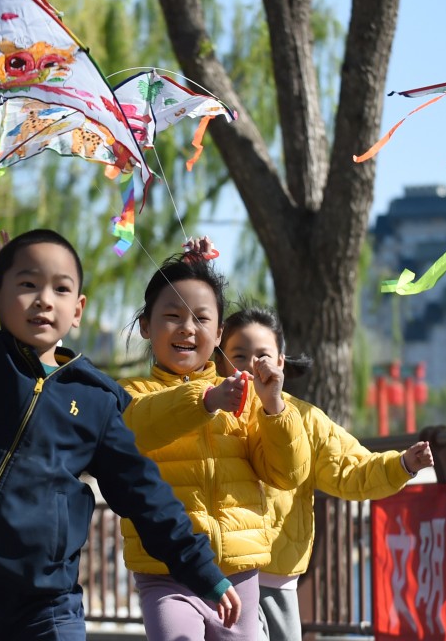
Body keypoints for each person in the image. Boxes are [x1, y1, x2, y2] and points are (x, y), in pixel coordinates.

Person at [0, 136, 239, 640]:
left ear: (77, 310)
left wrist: (202, 570)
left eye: (60, 289)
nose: (43, 300)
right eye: (27, 284)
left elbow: (144, 493)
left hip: (47, 601)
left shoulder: (97, 398)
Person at [118, 240, 311, 641]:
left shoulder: (242, 396)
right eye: (172, 316)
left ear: (220, 332)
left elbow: (286, 473)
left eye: (201, 319)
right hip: (166, 571)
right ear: (145, 326)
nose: (188, 328)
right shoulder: (130, 393)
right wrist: (204, 400)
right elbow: (140, 426)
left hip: (239, 572)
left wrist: (274, 407)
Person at [216, 305, 435, 641]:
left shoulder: (306, 420)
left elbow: (351, 469)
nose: (250, 366)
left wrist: (401, 464)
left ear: (281, 361)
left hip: (277, 577)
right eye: (239, 355)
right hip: (220, 577)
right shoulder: (206, 411)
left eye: (262, 356)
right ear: (218, 357)